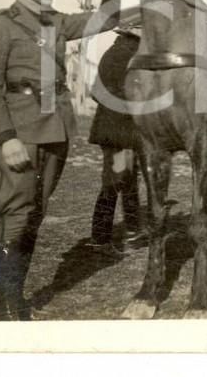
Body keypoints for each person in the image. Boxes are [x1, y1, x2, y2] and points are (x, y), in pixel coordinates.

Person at [0, 0, 121, 320]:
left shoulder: (55, 22)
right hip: (20, 133)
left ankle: (15, 295)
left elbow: (104, 21)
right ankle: (7, 305)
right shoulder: (1, 25)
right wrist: (6, 138)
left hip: (55, 132)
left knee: (35, 214)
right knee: (16, 213)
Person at [86, 17, 146, 258]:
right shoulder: (122, 55)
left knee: (127, 181)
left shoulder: (121, 51)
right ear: (133, 32)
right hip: (116, 133)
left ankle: (132, 232)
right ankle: (100, 240)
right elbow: (112, 94)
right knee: (113, 183)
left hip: (122, 132)